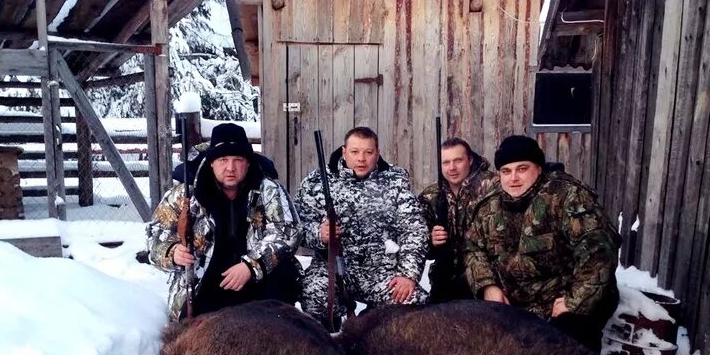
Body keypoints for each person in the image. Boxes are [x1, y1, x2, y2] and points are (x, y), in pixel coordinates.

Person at [463, 134, 620, 351]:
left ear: (538, 168)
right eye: (506, 171)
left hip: (565, 301)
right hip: (516, 303)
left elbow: (600, 253)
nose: (513, 178)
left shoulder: (567, 197)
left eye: (522, 168)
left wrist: (573, 302)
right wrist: (488, 286)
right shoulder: (490, 206)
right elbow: (473, 248)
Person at [146, 123, 302, 320]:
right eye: (223, 159)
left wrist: (251, 266)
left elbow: (288, 232)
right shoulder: (185, 194)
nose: (231, 168)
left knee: (283, 275)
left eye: (238, 160)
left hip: (256, 282)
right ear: (211, 162)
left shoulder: (268, 189)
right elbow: (155, 235)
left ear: (248, 163)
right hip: (205, 282)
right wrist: (172, 252)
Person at [295, 126, 428, 327]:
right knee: (314, 296)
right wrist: (319, 234)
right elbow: (296, 227)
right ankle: (329, 340)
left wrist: (408, 274)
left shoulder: (395, 180)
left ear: (378, 154)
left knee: (413, 302)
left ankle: (373, 323)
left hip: (381, 271)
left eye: (368, 152)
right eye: (355, 152)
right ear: (344, 152)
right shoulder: (316, 182)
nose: (361, 159)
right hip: (333, 269)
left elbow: (414, 229)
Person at [417, 137, 490, 303]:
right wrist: (431, 240)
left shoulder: (491, 187)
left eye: (458, 160)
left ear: (470, 160)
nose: (452, 168)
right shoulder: (430, 195)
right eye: (446, 162)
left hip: (484, 277)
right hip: (445, 276)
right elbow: (417, 239)